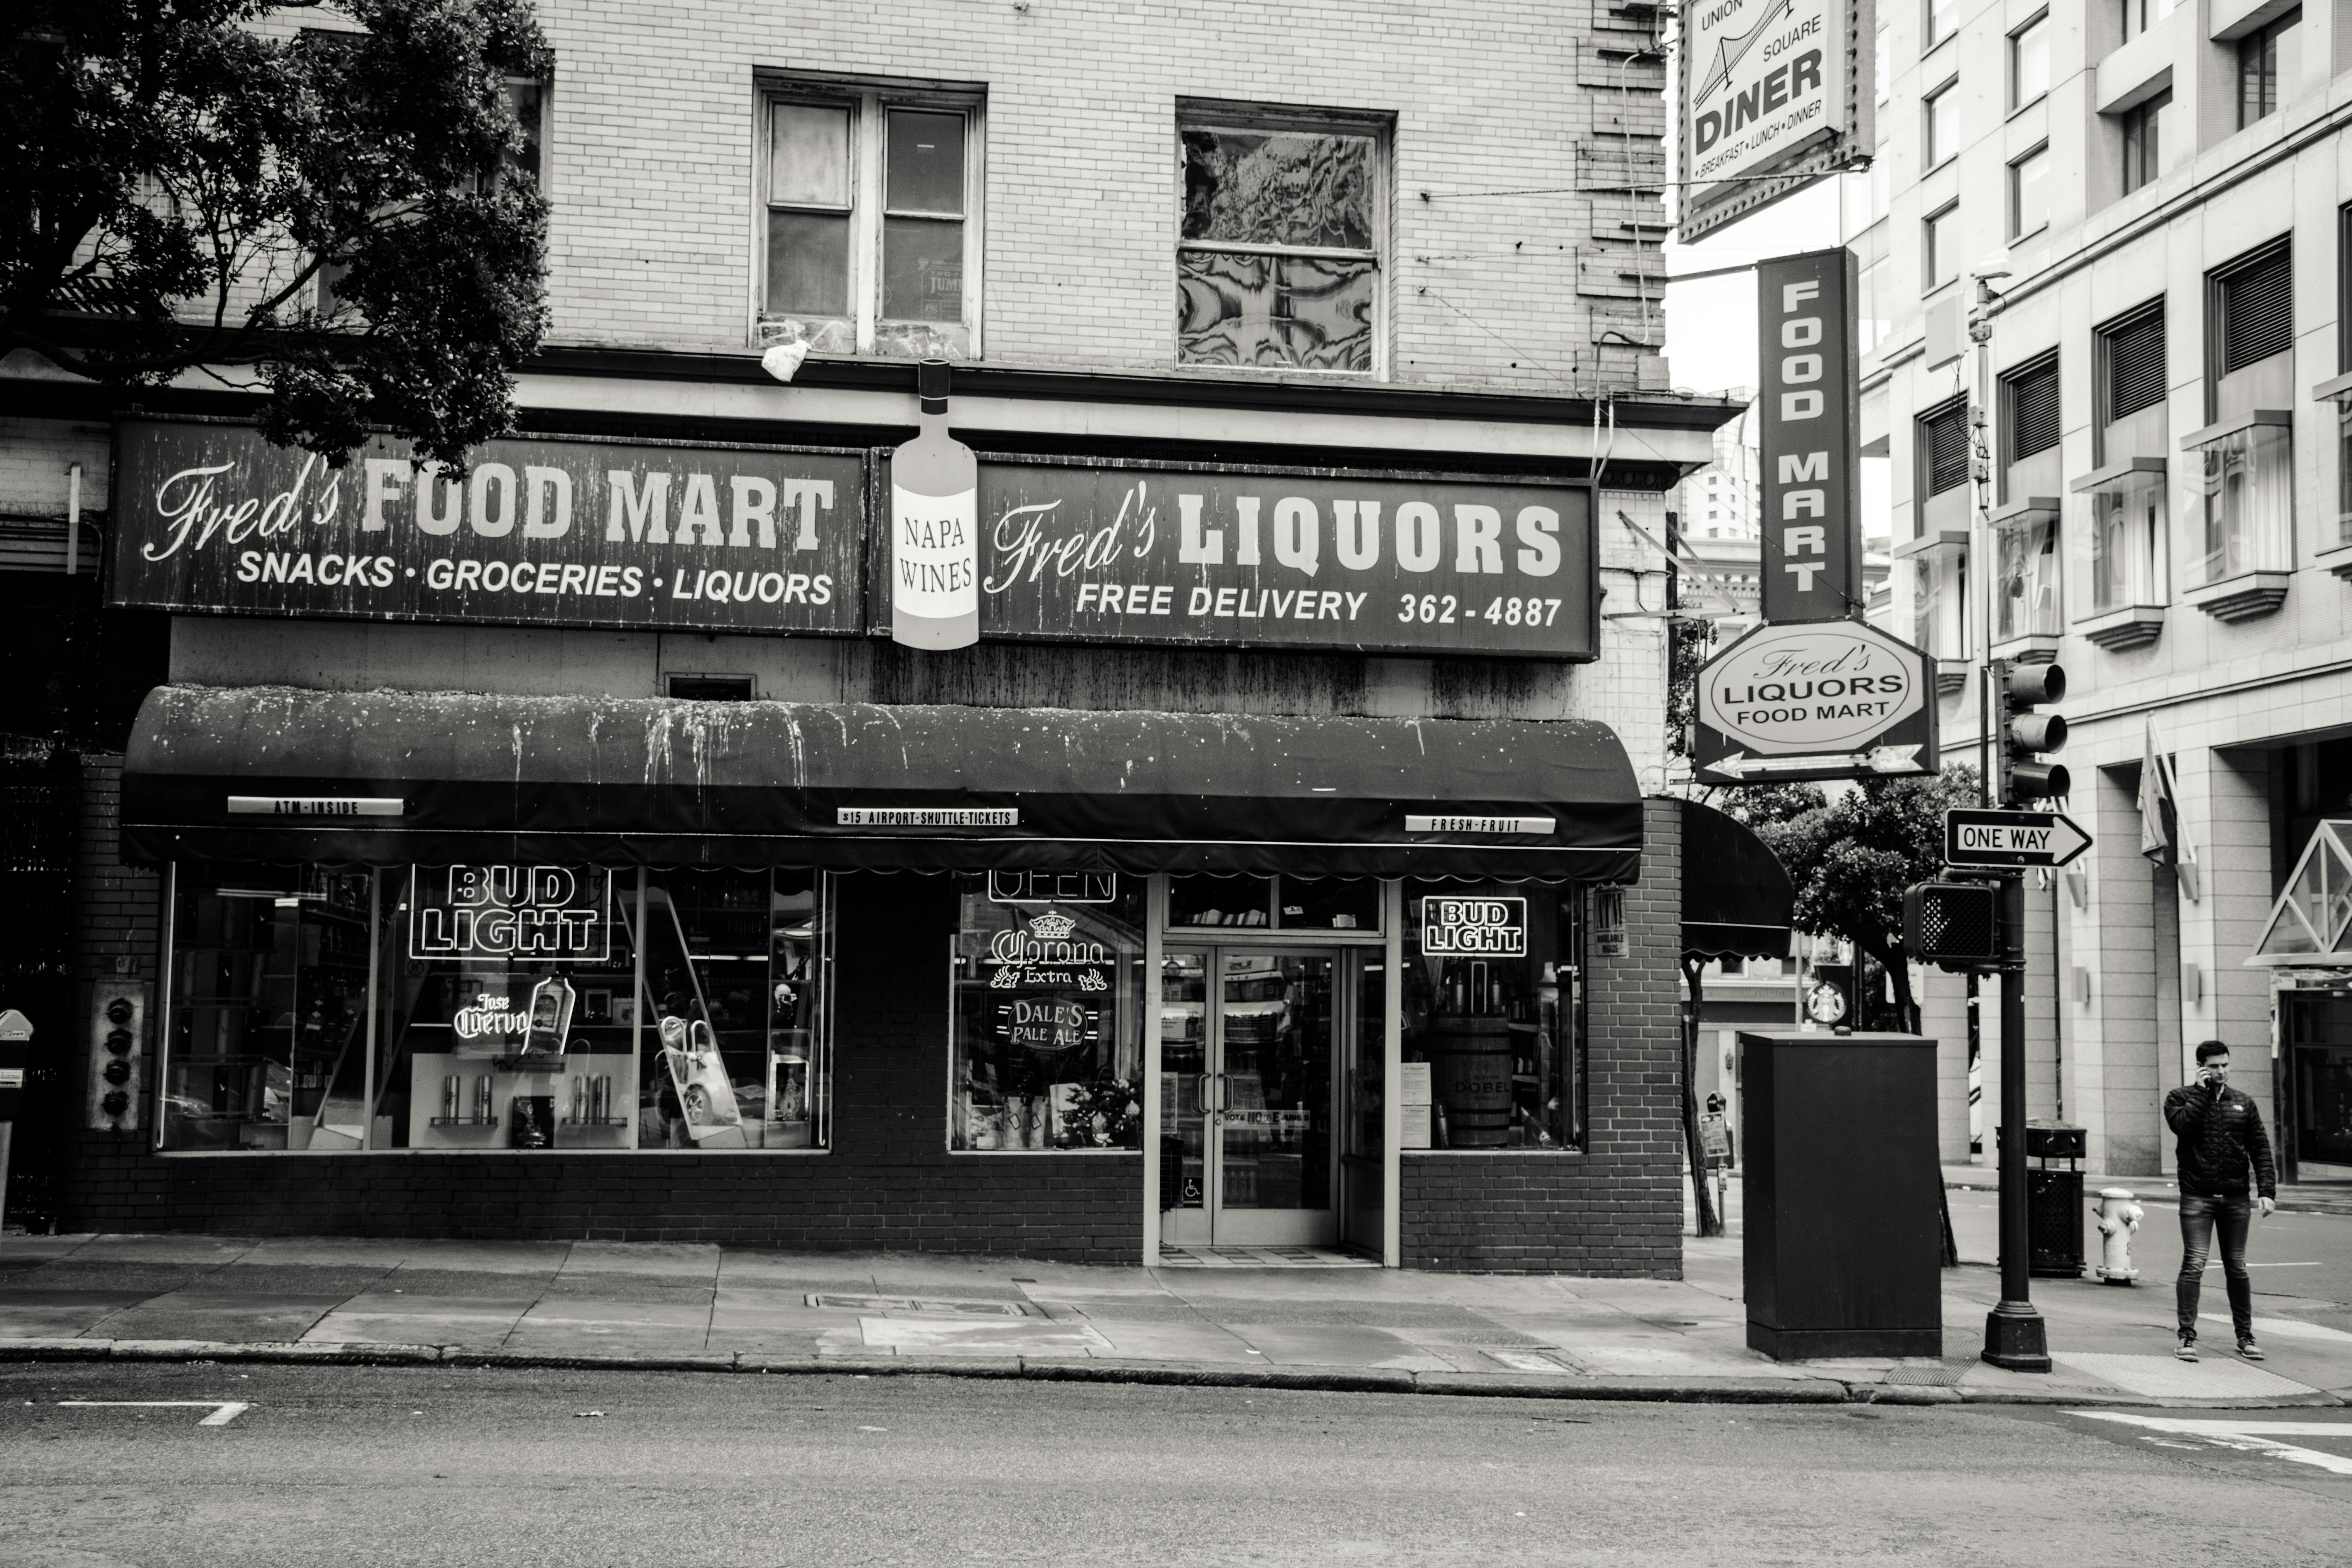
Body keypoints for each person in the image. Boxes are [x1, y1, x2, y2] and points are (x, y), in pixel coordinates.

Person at [2162, 1040, 2277, 1362]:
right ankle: (2186, 1337)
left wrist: (2266, 1191)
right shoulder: (2180, 1098)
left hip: (2236, 1198)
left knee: (2237, 1267)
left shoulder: (2243, 1103)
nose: (2222, 1071)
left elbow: (2261, 1150)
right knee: (2195, 1263)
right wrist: (2201, 1093)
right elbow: (2182, 1127)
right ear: (2201, 1067)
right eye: (2214, 1066)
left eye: (2225, 1065)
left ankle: (2245, 1336)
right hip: (2198, 1196)